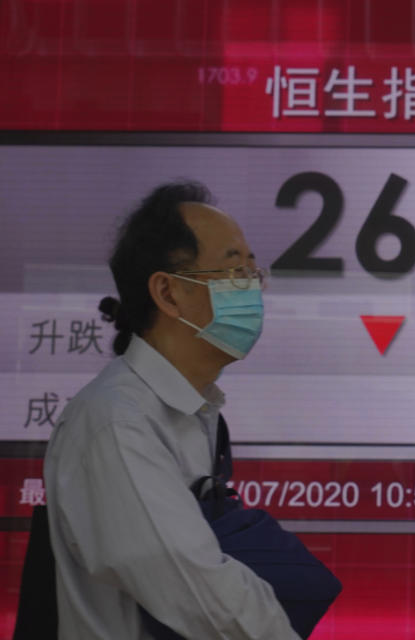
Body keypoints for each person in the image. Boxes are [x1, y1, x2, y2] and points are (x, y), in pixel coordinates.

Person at [43, 182, 301, 638]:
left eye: (253, 271)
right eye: (234, 270)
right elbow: (203, 595)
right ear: (168, 293)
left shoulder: (191, 410)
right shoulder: (118, 423)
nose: (252, 290)